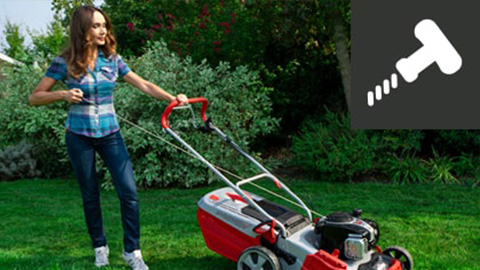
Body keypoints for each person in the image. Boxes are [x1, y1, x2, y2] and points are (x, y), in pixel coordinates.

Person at [29, 5, 188, 270]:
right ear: (83, 30)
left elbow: (144, 84)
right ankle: (100, 248)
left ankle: (132, 252)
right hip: (78, 137)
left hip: (110, 135)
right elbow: (34, 97)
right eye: (96, 25)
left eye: (104, 25)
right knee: (90, 195)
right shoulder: (64, 62)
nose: (103, 30)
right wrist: (63, 95)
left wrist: (173, 98)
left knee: (129, 193)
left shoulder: (112, 59)